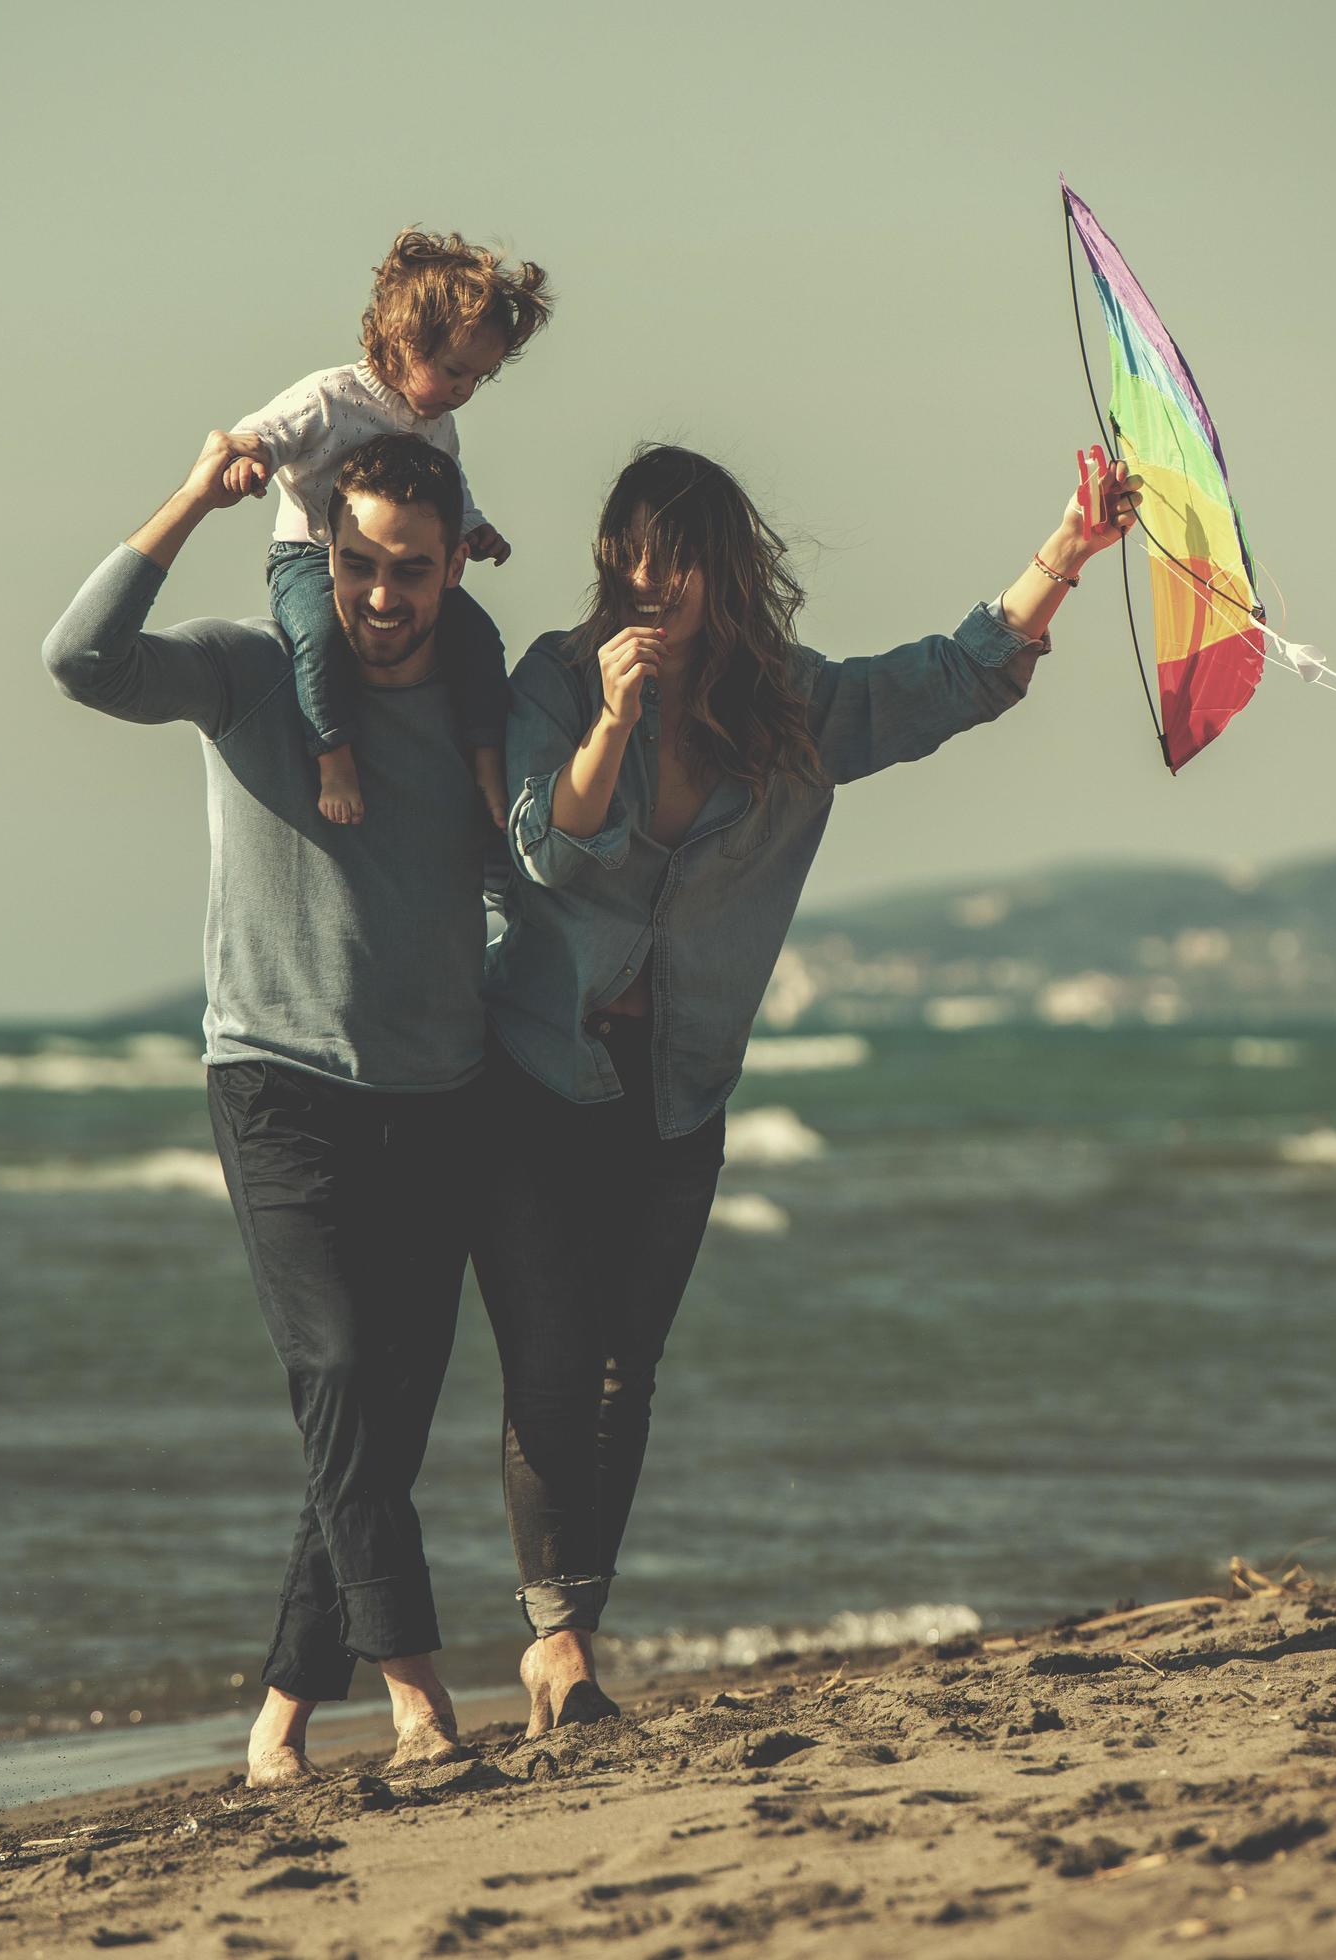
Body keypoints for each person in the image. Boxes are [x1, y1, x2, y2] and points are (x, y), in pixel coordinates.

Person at [473, 443, 1139, 1733]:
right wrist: (614, 718)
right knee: (550, 1366)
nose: (648, 588)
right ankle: (557, 1645)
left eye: (674, 566)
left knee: (626, 1372)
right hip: (541, 1075)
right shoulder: (557, 679)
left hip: (678, 1090)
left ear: (724, 573)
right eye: (629, 564)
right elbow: (547, 848)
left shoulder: (788, 709)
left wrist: (1064, 553)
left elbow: (948, 679)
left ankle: (574, 1635)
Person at [41, 429, 500, 1787]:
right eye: (355, 562)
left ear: (456, 558)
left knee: (372, 1433)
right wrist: (193, 493)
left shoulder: (476, 707)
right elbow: (78, 660)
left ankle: (282, 1718)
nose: (378, 595)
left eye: (410, 569)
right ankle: (416, 1693)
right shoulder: (249, 669)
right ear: (323, 554)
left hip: (440, 1099)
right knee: (343, 1376)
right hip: (278, 1086)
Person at [223, 228, 552, 829]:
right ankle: (334, 755)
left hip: (403, 565)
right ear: (404, 341)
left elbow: (452, 489)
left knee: (479, 639)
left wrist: (473, 530)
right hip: (311, 554)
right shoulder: (330, 397)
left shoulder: (438, 424)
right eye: (454, 371)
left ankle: (485, 756)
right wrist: (253, 461)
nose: (464, 391)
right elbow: (260, 432)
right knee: (319, 638)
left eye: (478, 379)